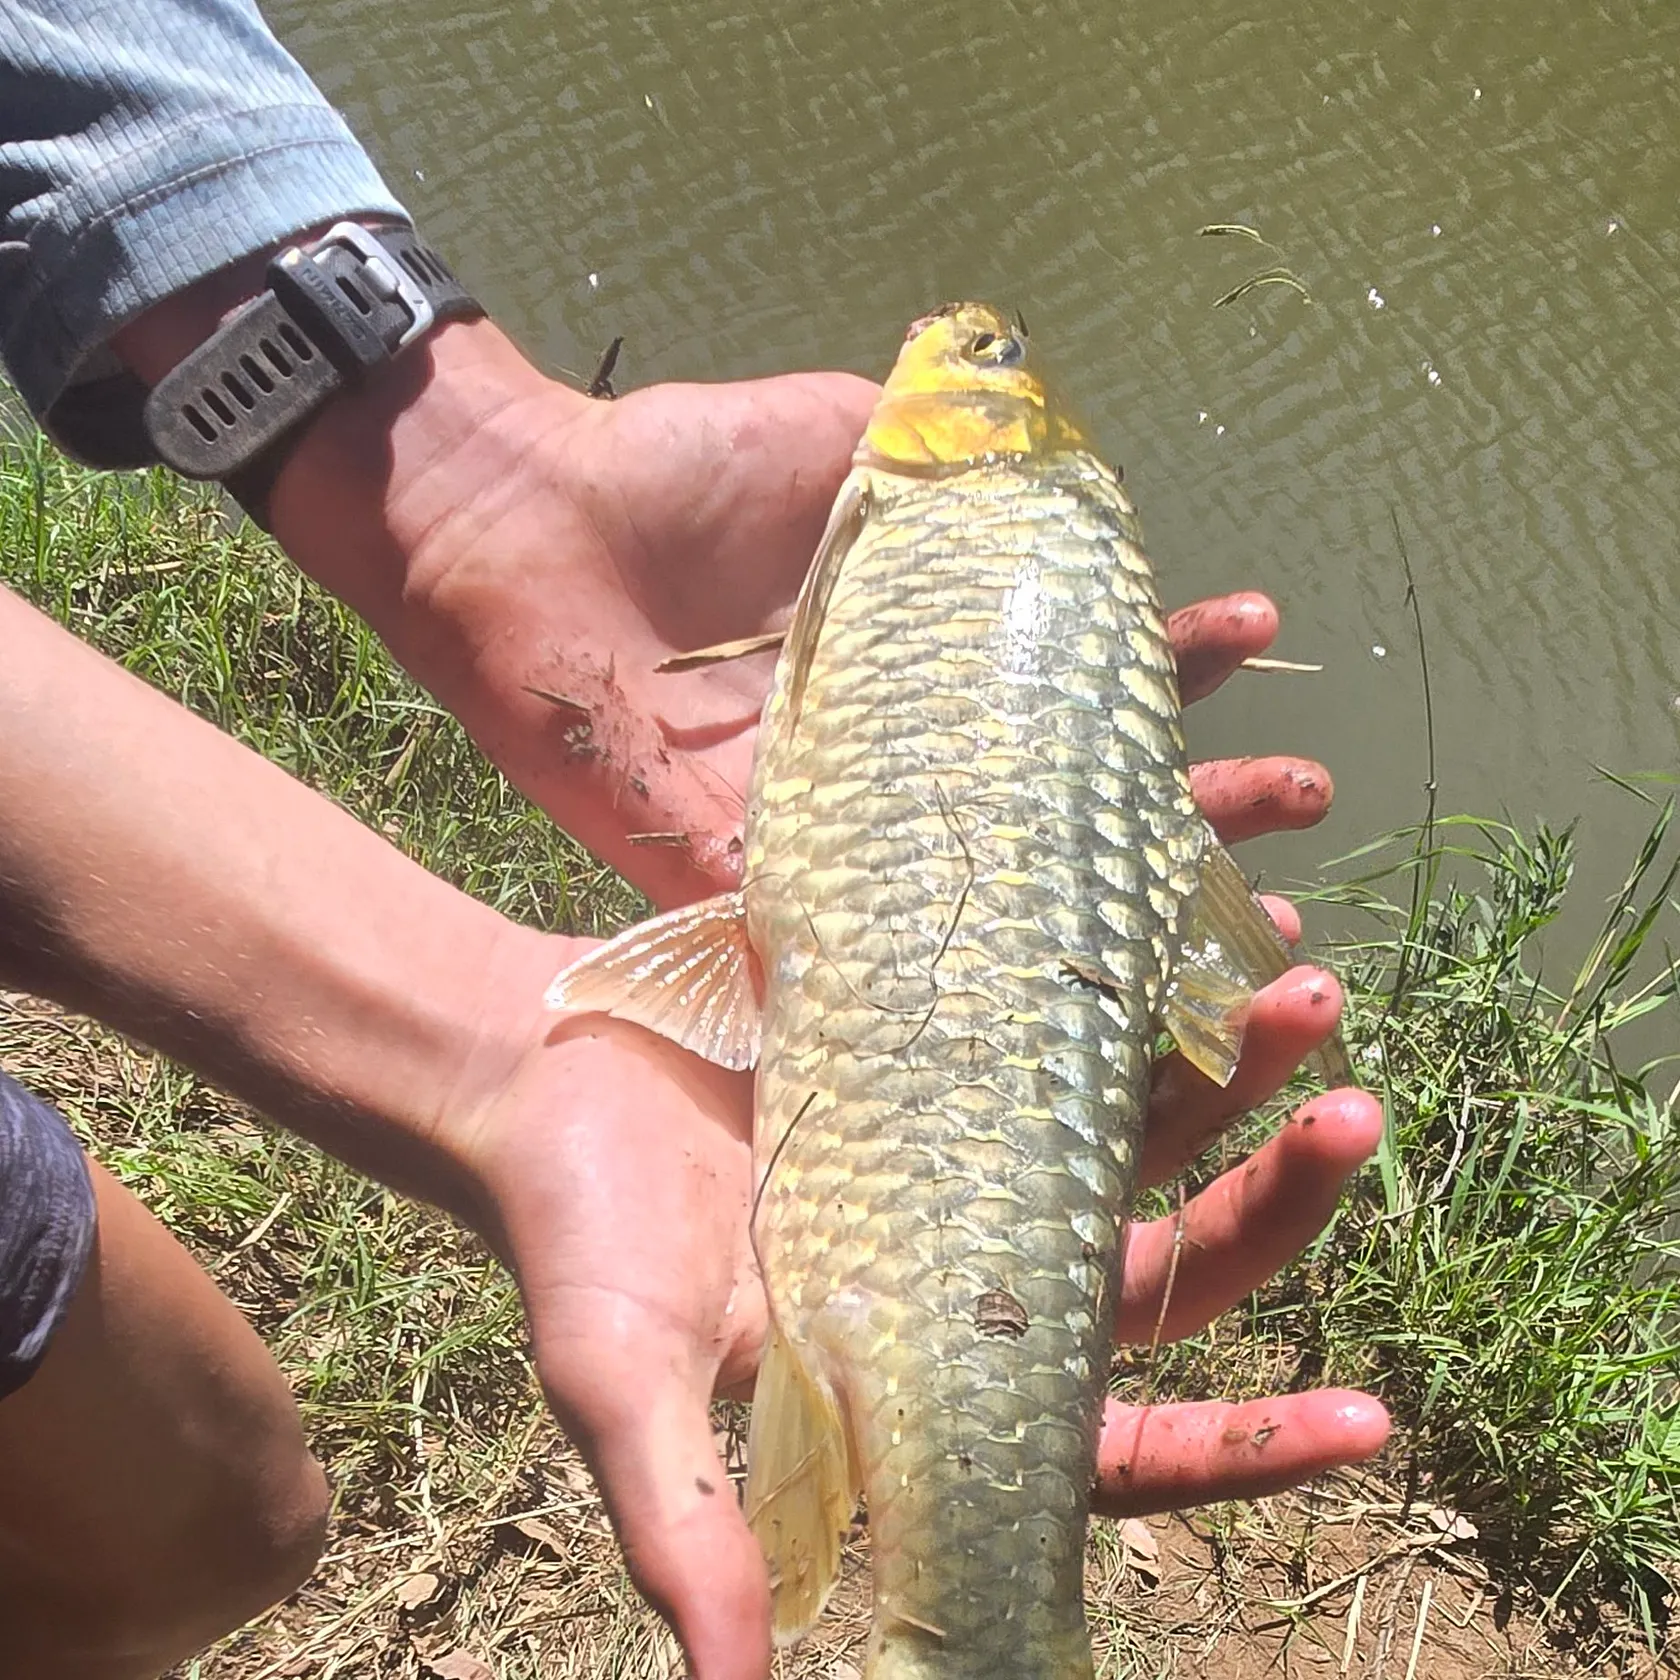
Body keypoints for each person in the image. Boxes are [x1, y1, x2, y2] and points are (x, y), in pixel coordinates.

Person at [0, 3, 1390, 1676]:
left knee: (217, 1527)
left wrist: (461, 465)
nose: (969, 346)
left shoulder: (935, 518)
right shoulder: (971, 529)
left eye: (993, 373)